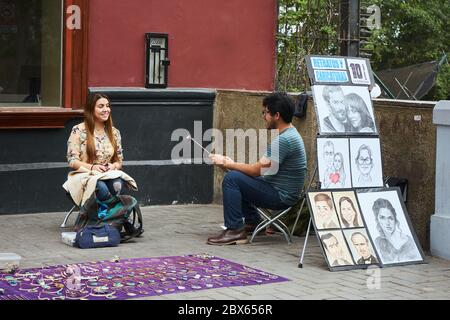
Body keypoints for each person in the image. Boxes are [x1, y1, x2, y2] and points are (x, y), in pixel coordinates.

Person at [206, 92, 307, 245]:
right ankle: (252, 222)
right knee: (237, 174)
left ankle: (234, 230)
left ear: (276, 115)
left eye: (265, 112)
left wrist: (226, 163)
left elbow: (256, 170)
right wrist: (231, 164)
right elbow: (261, 169)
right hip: (277, 189)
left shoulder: (285, 140)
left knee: (232, 179)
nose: (263, 116)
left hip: (281, 196)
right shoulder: (289, 135)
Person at [63, 93, 137, 207]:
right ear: (91, 109)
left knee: (118, 185)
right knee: (100, 188)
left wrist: (112, 166)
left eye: (107, 106)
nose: (106, 109)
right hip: (85, 175)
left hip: (107, 174)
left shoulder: (114, 132)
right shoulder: (78, 130)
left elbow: (119, 161)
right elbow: (72, 161)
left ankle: (109, 218)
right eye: (101, 106)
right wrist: (93, 167)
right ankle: (102, 218)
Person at [372, 198, 421, 263]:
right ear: (377, 220)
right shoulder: (378, 242)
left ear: (395, 219)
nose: (387, 223)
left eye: (390, 218)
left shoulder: (408, 241)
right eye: (382, 218)